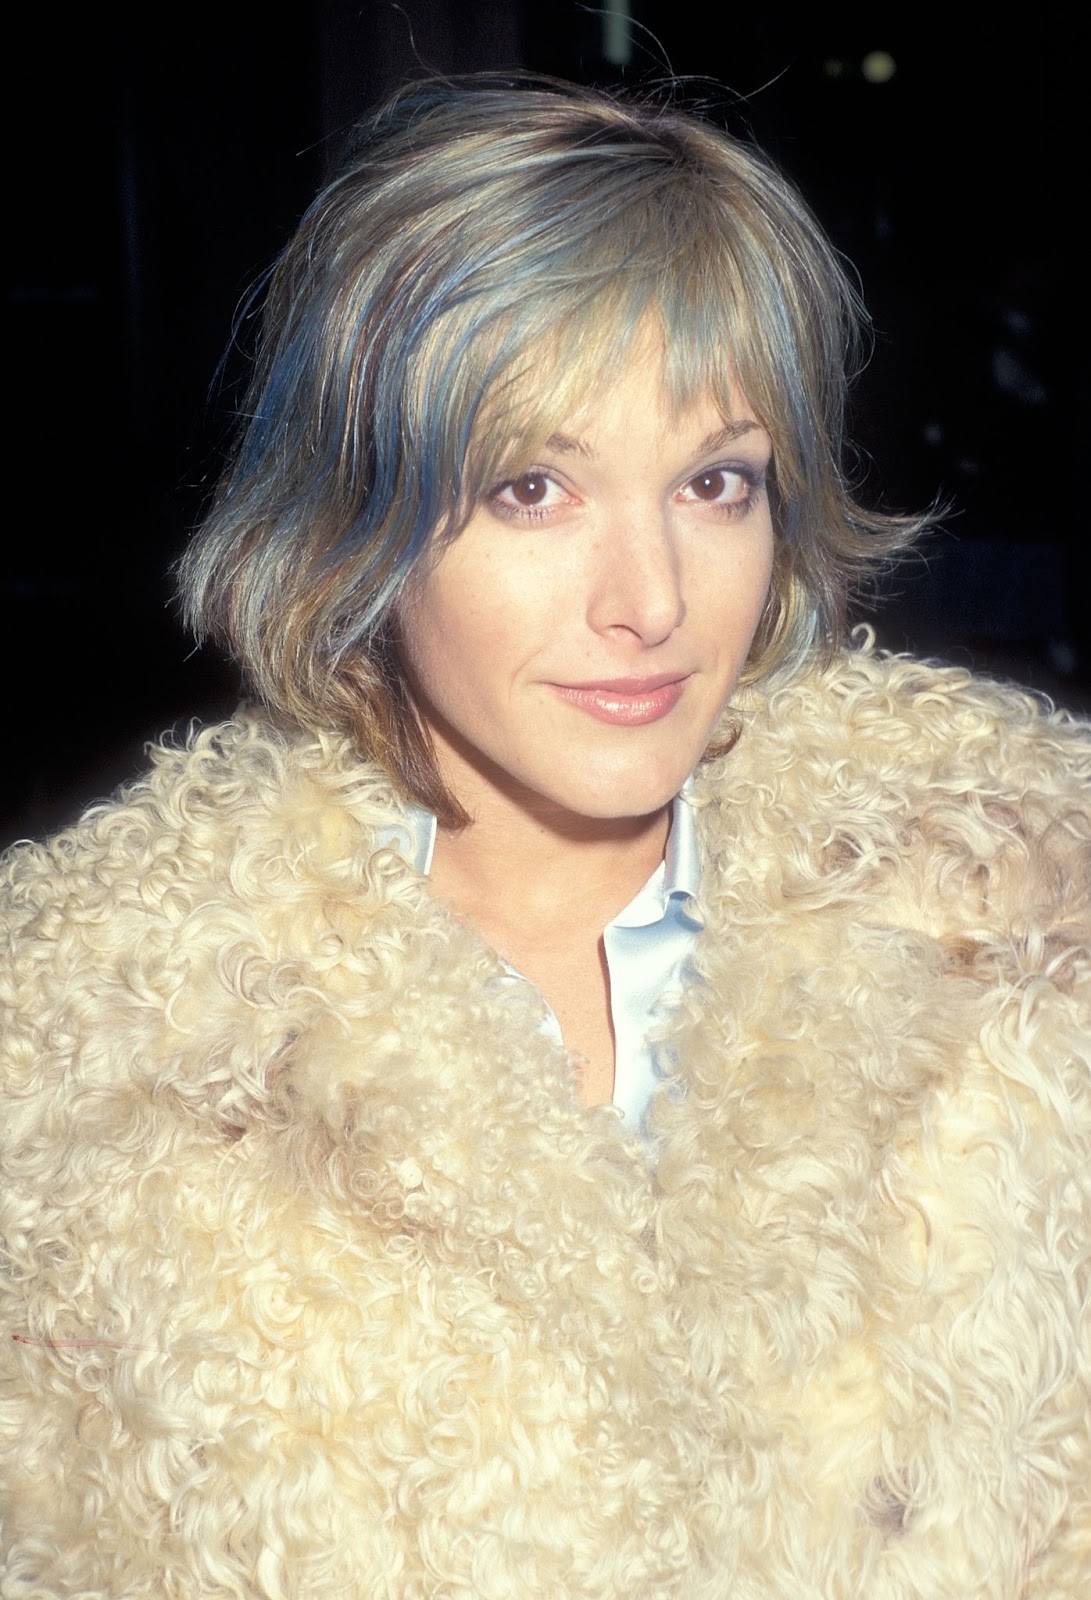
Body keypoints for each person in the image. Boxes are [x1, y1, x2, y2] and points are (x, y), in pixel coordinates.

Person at [1, 75, 1088, 1600]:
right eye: (532, 487)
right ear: (354, 521)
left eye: (716, 483)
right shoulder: (89, 1066)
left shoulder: (1024, 950)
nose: (647, 596)